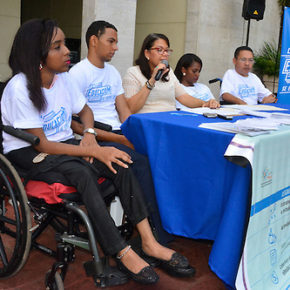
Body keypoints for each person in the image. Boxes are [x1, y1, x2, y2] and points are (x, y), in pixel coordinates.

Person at [1, 19, 195, 284]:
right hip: (29, 153)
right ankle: (121, 251)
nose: (66, 50)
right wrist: (89, 152)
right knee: (83, 172)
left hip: (66, 144)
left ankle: (149, 242)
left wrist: (90, 136)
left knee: (121, 160)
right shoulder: (19, 88)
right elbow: (42, 145)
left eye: (63, 44)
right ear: (37, 53)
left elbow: (85, 111)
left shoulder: (63, 79)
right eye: (57, 46)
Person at [69, 20, 173, 245]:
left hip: (117, 133)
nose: (115, 47)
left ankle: (160, 223)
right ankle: (155, 234)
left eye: (116, 42)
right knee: (140, 164)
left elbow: (124, 112)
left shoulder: (113, 73)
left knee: (159, 156)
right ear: (94, 41)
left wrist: (133, 135)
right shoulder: (77, 74)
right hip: (94, 139)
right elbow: (75, 125)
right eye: (111, 41)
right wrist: (121, 139)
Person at [122, 33, 219, 114]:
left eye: (167, 50)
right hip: (147, 121)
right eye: (159, 50)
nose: (164, 54)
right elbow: (130, 108)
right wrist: (152, 81)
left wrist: (205, 103)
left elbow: (184, 98)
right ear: (147, 53)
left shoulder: (168, 73)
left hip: (170, 119)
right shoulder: (133, 73)